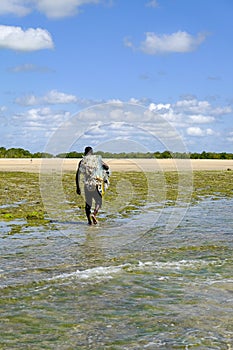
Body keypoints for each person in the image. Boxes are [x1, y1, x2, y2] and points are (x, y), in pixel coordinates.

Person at [76, 146, 109, 225]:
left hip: (87, 184)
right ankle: (94, 214)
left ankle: (89, 222)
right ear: (92, 152)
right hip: (96, 183)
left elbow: (77, 175)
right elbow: (107, 167)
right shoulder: (97, 160)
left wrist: (78, 187)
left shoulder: (82, 161)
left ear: (85, 153)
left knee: (88, 204)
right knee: (98, 201)